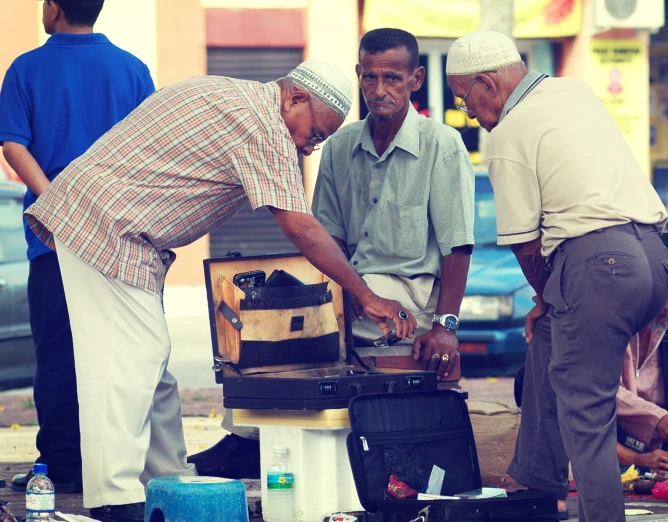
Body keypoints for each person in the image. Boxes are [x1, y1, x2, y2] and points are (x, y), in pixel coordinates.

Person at [24, 59, 418, 522]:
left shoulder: (232, 94)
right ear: (294, 99)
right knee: (126, 364)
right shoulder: (263, 125)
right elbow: (301, 228)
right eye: (314, 134)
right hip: (106, 226)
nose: (310, 149)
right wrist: (366, 295)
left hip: (116, 228)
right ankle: (115, 497)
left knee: (150, 365)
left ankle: (170, 484)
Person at [188, 27, 476, 480]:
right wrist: (336, 297)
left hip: (406, 301)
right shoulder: (341, 145)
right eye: (370, 78)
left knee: (305, 328)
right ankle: (248, 436)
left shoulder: (442, 145)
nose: (379, 91)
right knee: (266, 316)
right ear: (359, 76)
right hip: (349, 291)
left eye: (393, 78)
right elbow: (326, 240)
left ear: (416, 79)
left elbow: (458, 246)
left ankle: (247, 443)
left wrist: (446, 327)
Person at [445, 31, 668, 522]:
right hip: (656, 259)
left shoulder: (506, 135)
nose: (472, 114)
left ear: (488, 83)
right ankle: (535, 475)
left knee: (586, 419)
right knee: (548, 337)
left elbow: (527, 246)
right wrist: (552, 303)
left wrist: (547, 294)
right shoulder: (576, 91)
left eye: (466, 101)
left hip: (599, 268)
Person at [0, 0, 154, 494]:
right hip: (122, 240)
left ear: (53, 8)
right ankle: (125, 469)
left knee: (57, 359)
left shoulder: (25, 68)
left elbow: (13, 145)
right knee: (126, 359)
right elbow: (150, 152)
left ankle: (64, 468)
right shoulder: (133, 70)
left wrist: (58, 203)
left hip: (53, 243)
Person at [616, 233, 668, 477]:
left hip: (666, 442)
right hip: (611, 436)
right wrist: (658, 419)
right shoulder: (611, 314)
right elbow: (597, 391)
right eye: (664, 293)